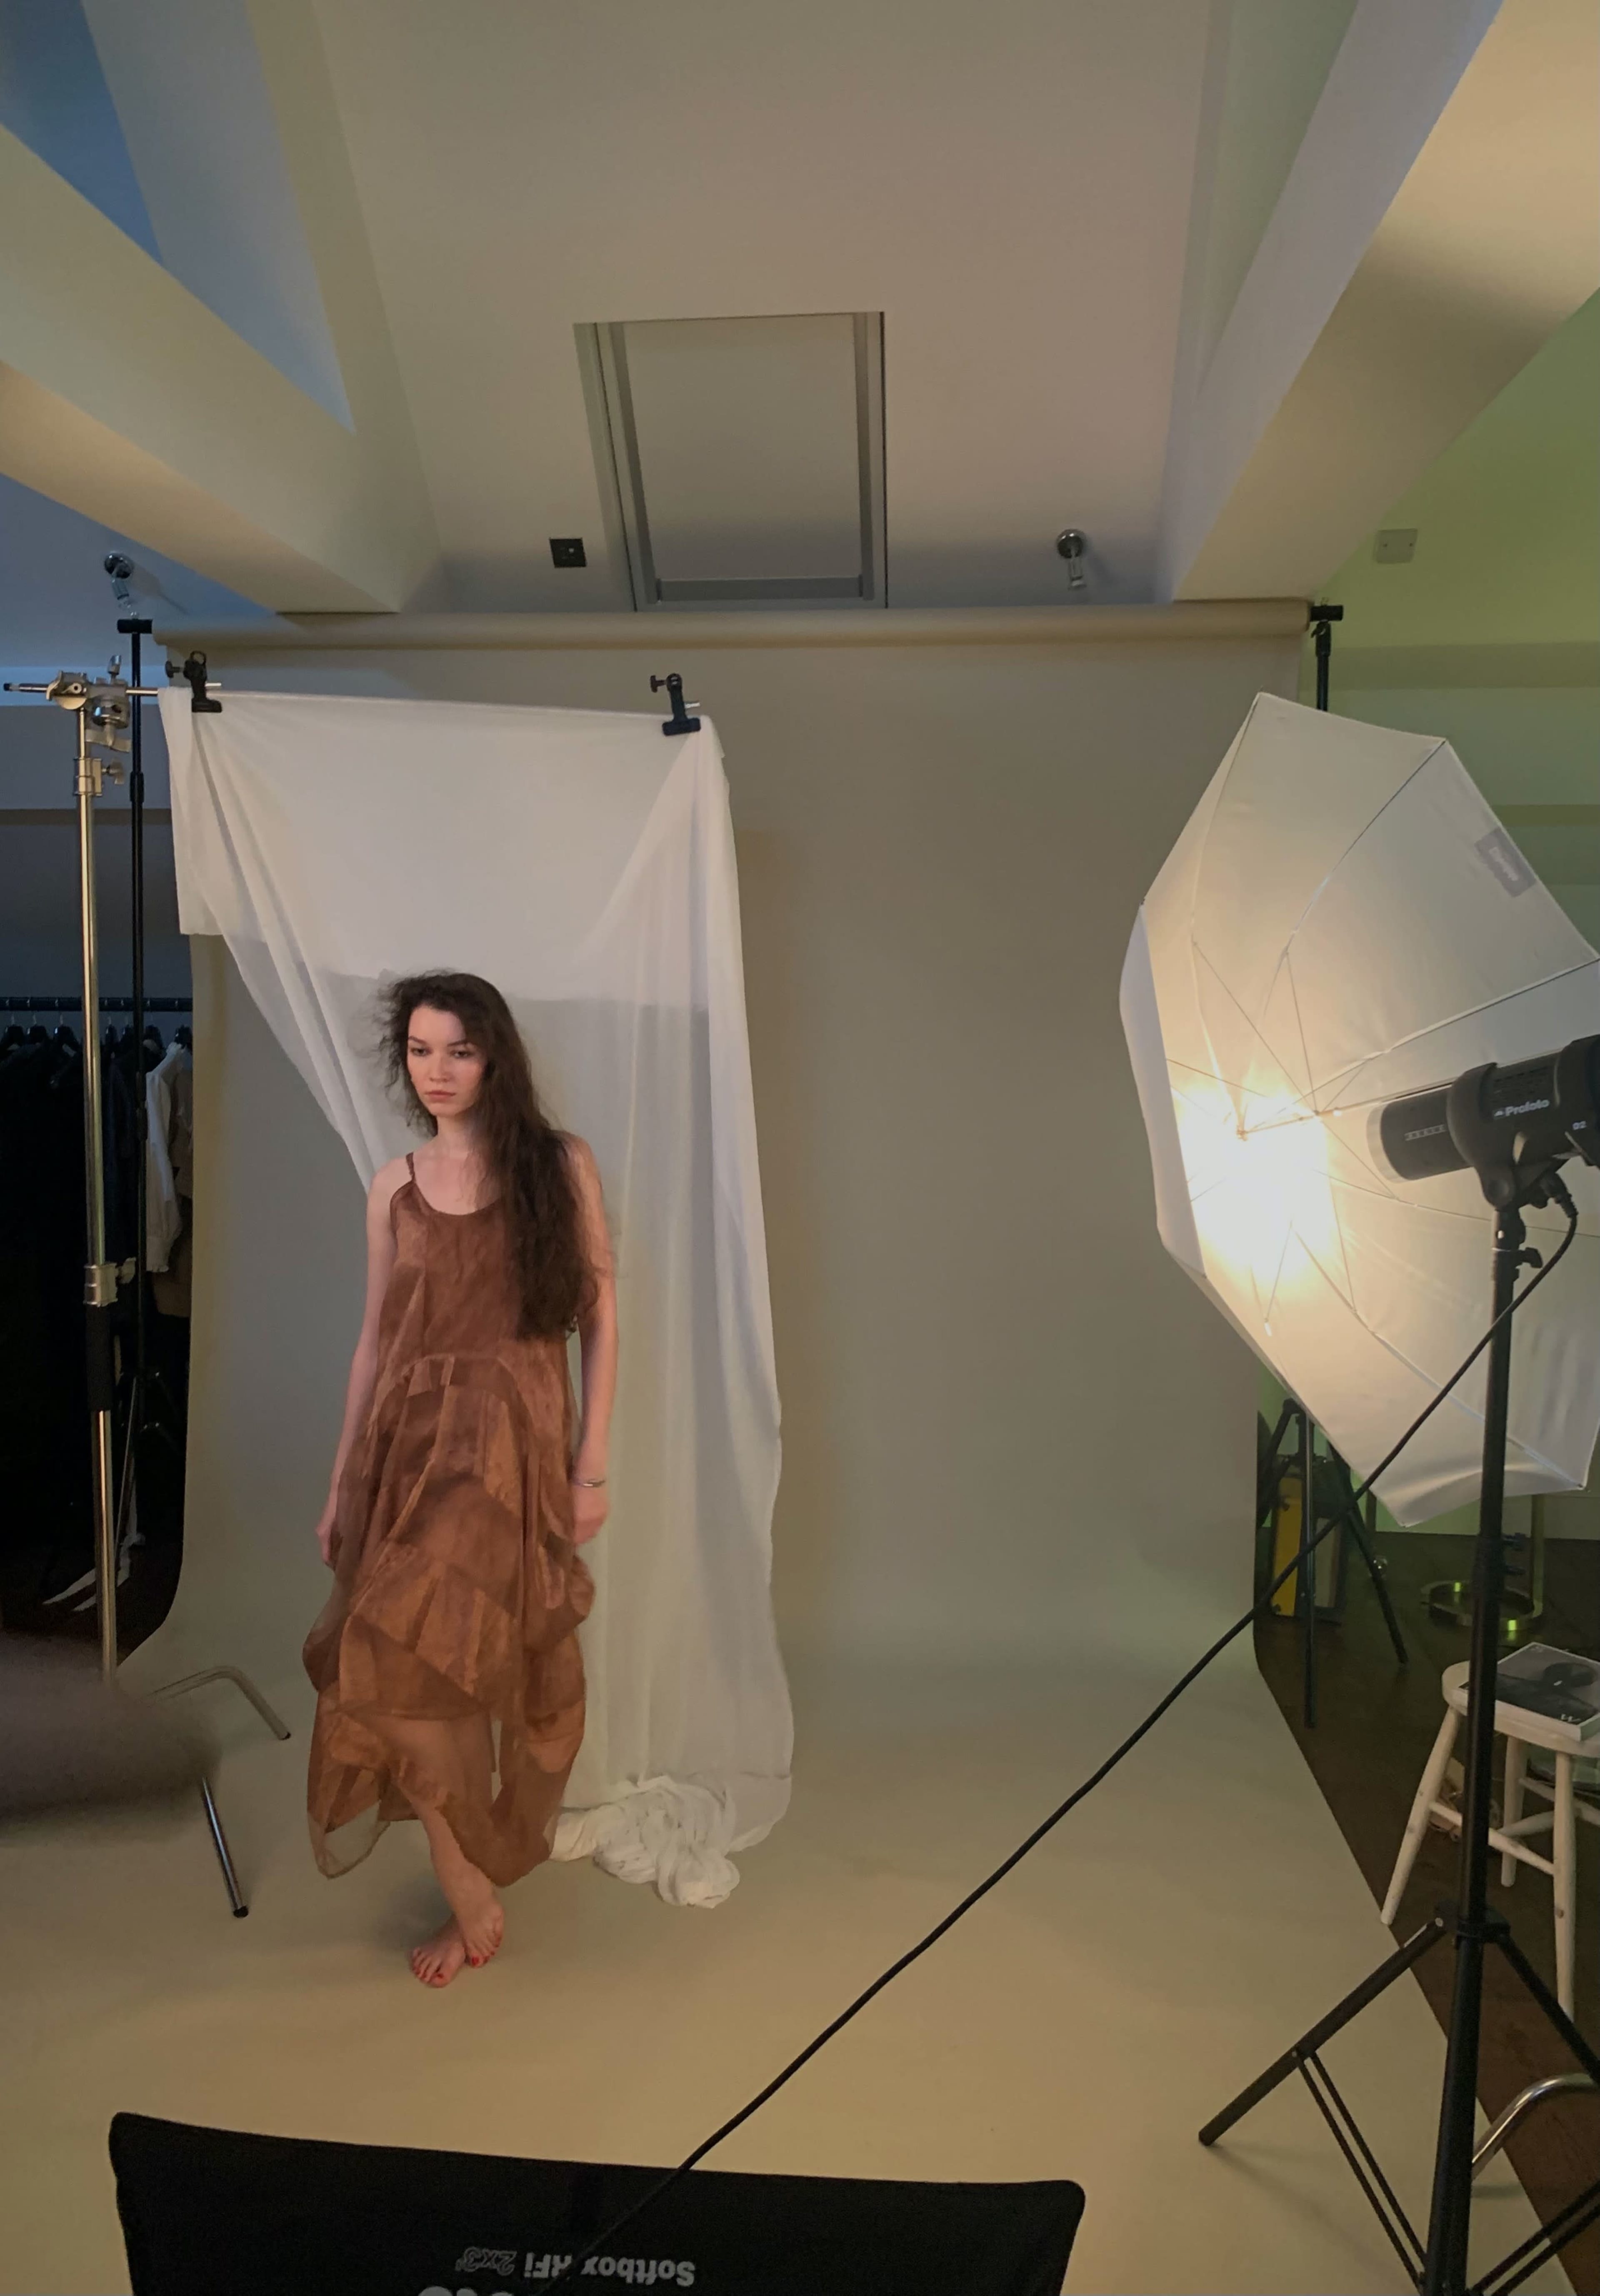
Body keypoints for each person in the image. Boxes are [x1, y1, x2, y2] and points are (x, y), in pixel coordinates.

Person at [304, 973, 616, 1988]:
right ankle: (466, 1871)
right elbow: (370, 1342)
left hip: (511, 1455)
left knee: (467, 1670)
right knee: (388, 1664)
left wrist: (592, 1464)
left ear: (497, 1058)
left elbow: (604, 1319)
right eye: (420, 1051)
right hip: (411, 1450)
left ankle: (468, 1881)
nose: (437, 1072)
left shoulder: (560, 1167)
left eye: (460, 1051)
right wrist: (342, 1479)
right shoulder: (393, 1183)